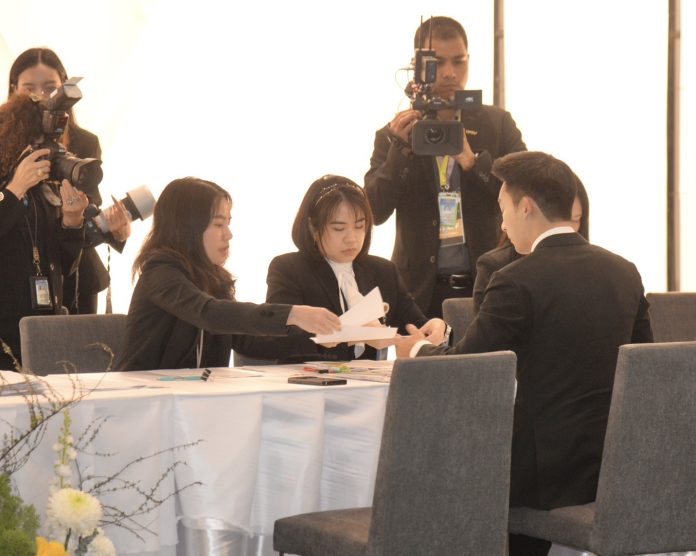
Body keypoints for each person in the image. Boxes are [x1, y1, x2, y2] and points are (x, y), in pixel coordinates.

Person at [396, 151, 653, 556]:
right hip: (614, 467)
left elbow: (466, 371)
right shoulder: (625, 271)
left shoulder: (515, 280)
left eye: (503, 210)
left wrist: (416, 349)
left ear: (527, 207)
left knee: (426, 470)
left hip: (541, 476)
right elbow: (644, 373)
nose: (502, 224)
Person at [365, 16, 526, 319]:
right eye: (438, 63)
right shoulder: (397, 133)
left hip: (489, 285)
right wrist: (399, 151)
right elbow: (373, 210)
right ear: (418, 66)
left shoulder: (497, 125)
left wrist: (473, 162)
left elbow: (527, 195)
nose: (450, 73)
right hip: (418, 292)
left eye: (459, 61)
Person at [115, 177, 342, 372]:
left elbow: (247, 340)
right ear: (188, 227)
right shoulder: (160, 272)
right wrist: (292, 314)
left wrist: (318, 339)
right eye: (218, 224)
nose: (229, 234)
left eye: (228, 224)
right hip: (143, 400)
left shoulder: (214, 278)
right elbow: (209, 313)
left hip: (199, 396)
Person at [235, 175, 446, 363]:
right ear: (313, 227)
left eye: (360, 226)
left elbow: (415, 325)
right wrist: (347, 334)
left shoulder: (383, 270)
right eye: (338, 228)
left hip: (369, 386)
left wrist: (437, 327)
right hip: (307, 385)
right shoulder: (289, 269)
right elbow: (277, 338)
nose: (351, 238)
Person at [8, 47, 131, 315]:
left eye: (50, 88)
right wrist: (17, 186)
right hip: (15, 278)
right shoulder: (4, 141)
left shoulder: (84, 142)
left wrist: (111, 229)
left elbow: (89, 208)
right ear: (13, 89)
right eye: (29, 88)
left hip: (76, 274)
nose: (41, 96)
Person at [0, 94, 89, 370]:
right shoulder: (14, 189)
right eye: (37, 146)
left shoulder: (43, 193)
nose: (43, 156)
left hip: (42, 328)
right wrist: (14, 190)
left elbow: (65, 265)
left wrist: (72, 222)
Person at [471, 176, 590, 312]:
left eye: (574, 220)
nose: (564, 228)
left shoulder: (593, 267)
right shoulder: (496, 266)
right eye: (558, 220)